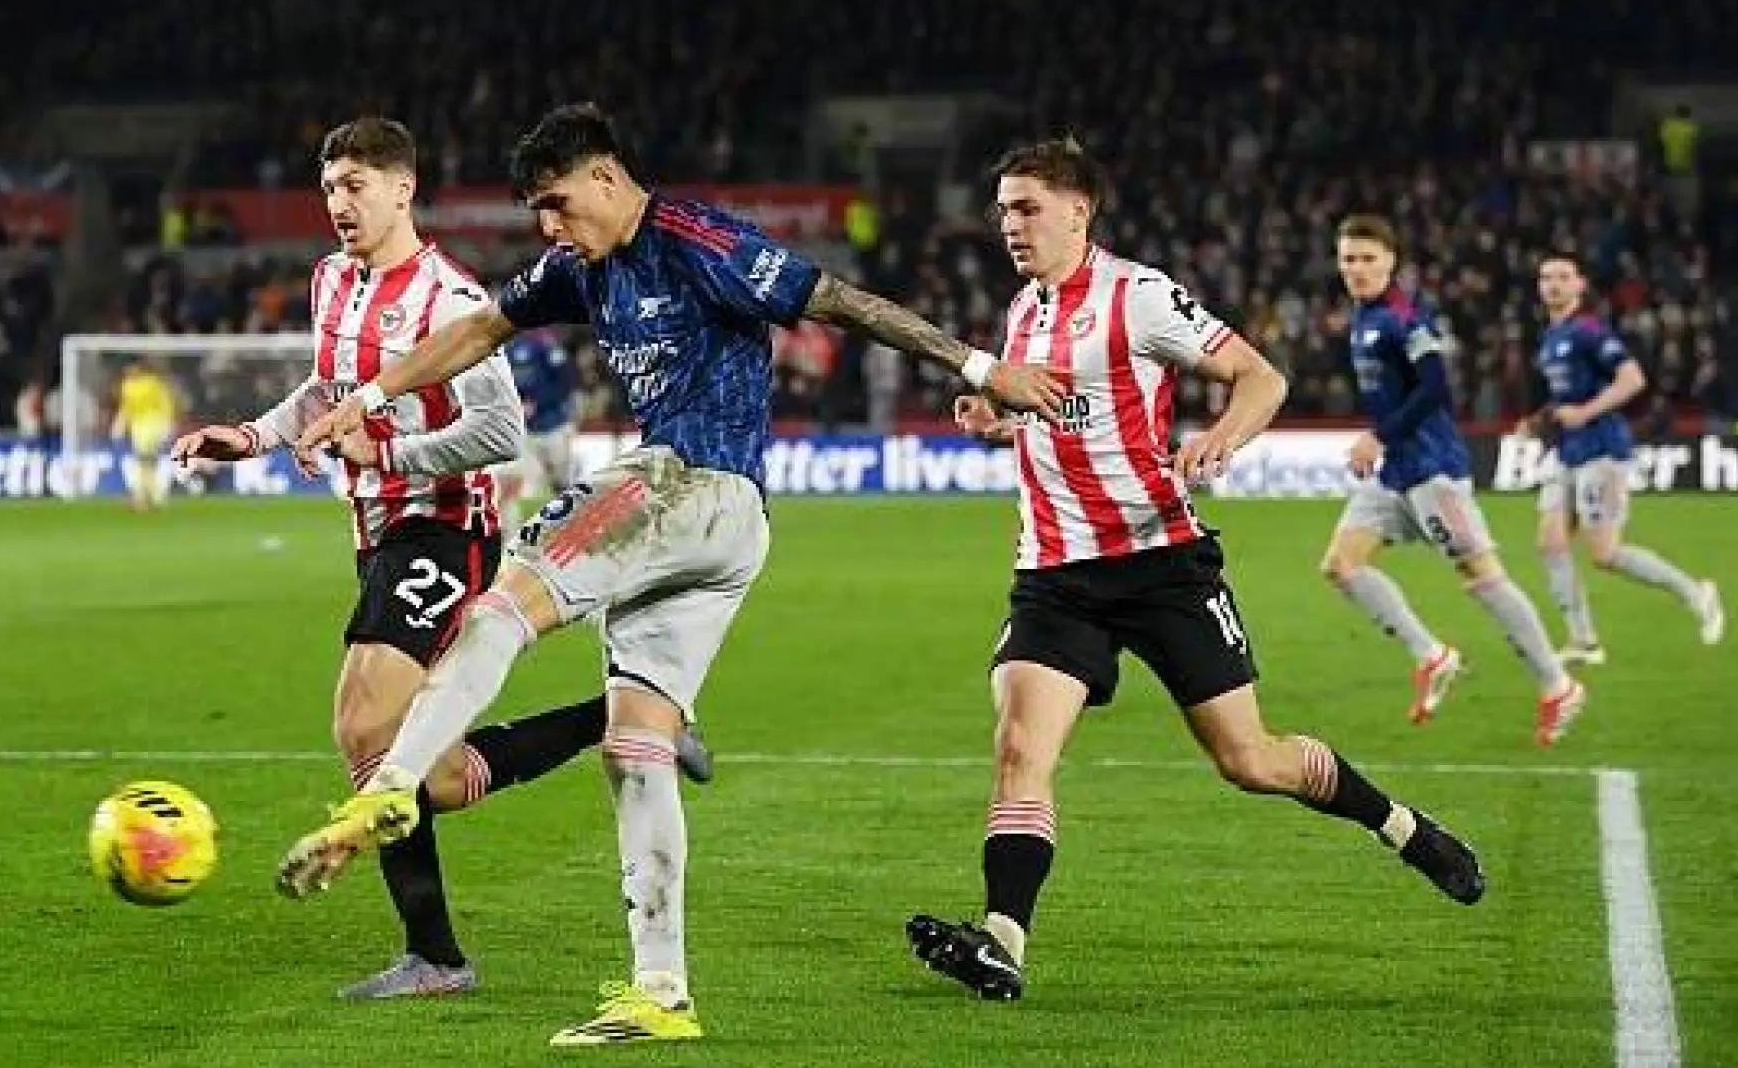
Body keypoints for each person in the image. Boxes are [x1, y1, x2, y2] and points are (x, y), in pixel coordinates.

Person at [273, 102, 1066, 1045]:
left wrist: (980, 365)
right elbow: (484, 327)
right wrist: (370, 392)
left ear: (607, 178)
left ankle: (388, 787)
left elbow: (841, 301)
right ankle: (661, 993)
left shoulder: (696, 239)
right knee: (636, 744)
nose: (550, 230)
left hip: (685, 481)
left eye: (560, 206)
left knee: (503, 605)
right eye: (539, 213)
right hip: (722, 534)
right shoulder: (583, 265)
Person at [904, 140, 1485, 1003]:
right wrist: (998, 421)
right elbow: (1063, 418)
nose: (1008, 226)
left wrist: (1221, 436)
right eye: (1001, 211)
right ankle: (1001, 940)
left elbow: (1261, 376)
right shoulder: (1023, 313)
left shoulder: (1137, 295)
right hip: (1056, 573)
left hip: (1161, 564)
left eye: (1025, 208)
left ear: (1077, 210)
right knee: (1021, 746)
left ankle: (1399, 824)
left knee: (1250, 759)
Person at [170, 116, 709, 1001]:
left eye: (355, 186)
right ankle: (626, 718)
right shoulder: (331, 282)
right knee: (442, 773)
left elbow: (500, 432)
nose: (339, 205)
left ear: (401, 189)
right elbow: (326, 387)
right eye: (329, 187)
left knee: (360, 723)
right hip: (375, 534)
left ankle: (437, 957)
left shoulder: (449, 302)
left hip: (445, 532)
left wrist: (386, 457)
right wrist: (253, 435)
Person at [1318, 214, 1586, 745]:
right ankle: (1431, 655)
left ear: (1391, 261)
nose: (1357, 269)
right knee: (1341, 564)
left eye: (1368, 259)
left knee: (1481, 576)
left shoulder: (1403, 317)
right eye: (1349, 259)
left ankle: (1557, 684)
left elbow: (1436, 385)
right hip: (1395, 470)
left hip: (1433, 468)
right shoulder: (1363, 316)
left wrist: (1379, 435)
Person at [1523, 252, 1724, 664]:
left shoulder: (1591, 331)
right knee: (1550, 541)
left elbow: (1632, 380)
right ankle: (1583, 641)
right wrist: (1540, 420)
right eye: (1546, 278)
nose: (1553, 285)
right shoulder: (1549, 339)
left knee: (1604, 554)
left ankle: (1695, 592)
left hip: (1603, 452)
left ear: (1580, 285)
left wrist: (1584, 413)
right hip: (1568, 453)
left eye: (1563, 277)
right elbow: (1567, 398)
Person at [500, 327, 579, 527]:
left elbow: (567, 379)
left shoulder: (544, 343)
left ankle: (572, 526)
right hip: (524, 431)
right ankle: (525, 533)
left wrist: (538, 402)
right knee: (526, 484)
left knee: (562, 481)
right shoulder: (506, 350)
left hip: (554, 425)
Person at [110, 360, 177, 511]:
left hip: (153, 426)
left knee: (145, 461)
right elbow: (126, 408)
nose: (129, 370)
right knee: (148, 463)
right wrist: (119, 425)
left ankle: (142, 500)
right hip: (138, 428)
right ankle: (152, 498)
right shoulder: (127, 386)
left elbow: (165, 404)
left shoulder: (152, 383)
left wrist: (168, 424)